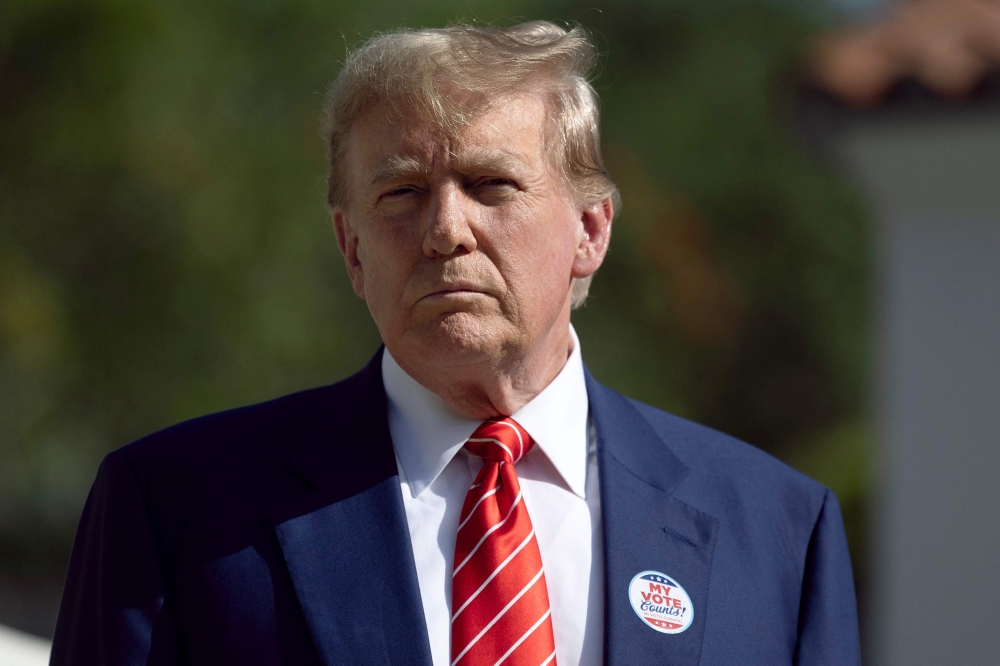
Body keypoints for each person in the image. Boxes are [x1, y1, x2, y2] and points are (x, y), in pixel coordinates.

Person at [50, 21, 861, 666]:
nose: (445, 229)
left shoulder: (776, 528)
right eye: (402, 192)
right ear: (352, 248)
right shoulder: (176, 508)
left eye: (490, 184)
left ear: (590, 229)